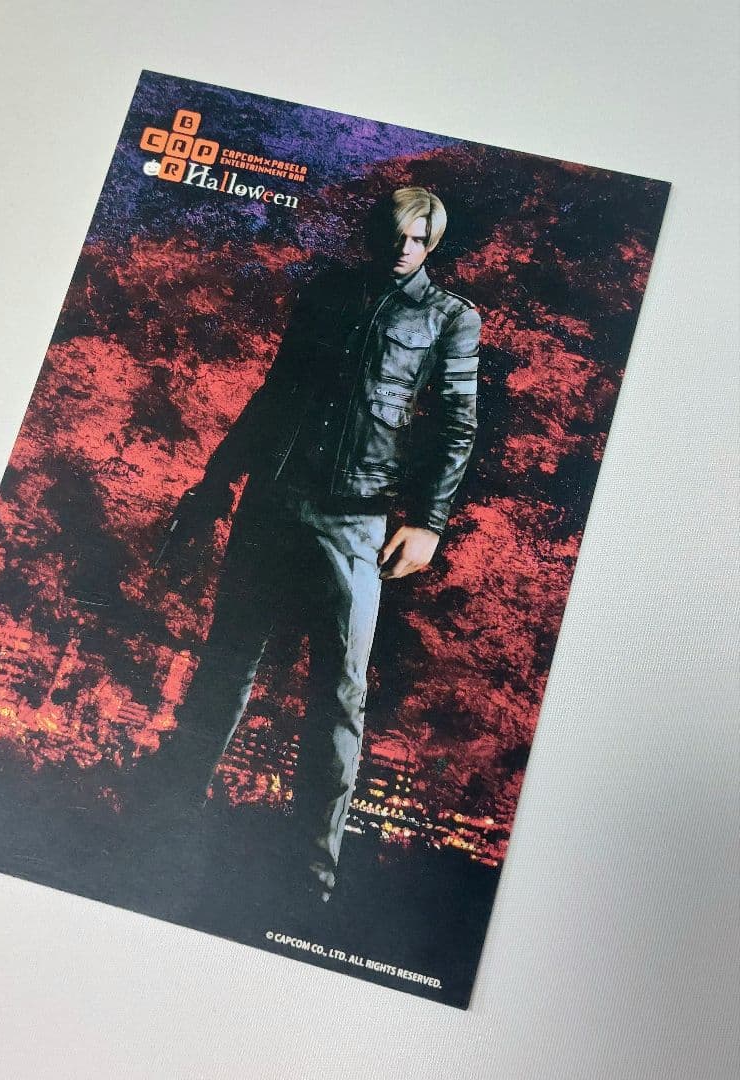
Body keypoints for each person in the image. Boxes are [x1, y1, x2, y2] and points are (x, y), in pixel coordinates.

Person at [152, 186, 481, 903]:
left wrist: (428, 523)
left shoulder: (450, 318)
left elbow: (457, 425)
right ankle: (161, 828)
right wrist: (217, 481)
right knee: (225, 667)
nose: (404, 248)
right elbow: (275, 392)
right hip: (271, 503)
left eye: (419, 239)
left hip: (356, 521)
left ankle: (311, 876)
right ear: (374, 231)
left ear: (432, 244)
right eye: (396, 233)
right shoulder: (327, 292)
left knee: (338, 695)